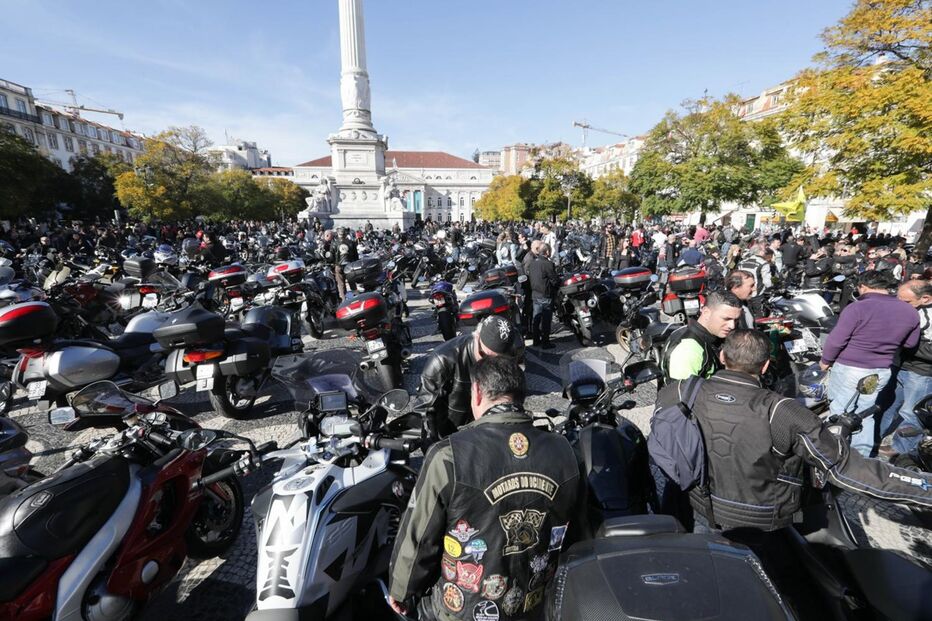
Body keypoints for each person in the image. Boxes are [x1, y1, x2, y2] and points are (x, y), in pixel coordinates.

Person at [654, 329, 932, 546]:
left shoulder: (679, 392)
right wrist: (923, 486)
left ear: (723, 357)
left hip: (700, 507)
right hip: (764, 523)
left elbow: (662, 436)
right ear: (765, 366)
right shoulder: (782, 410)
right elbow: (846, 468)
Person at [389, 356, 583, 620]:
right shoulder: (564, 451)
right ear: (521, 396)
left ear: (477, 392)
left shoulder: (448, 455)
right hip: (535, 602)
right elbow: (577, 528)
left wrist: (401, 589)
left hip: (463, 608)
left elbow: (420, 536)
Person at [821, 271, 920, 457]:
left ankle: (835, 454)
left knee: (840, 410)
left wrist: (825, 360)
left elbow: (837, 340)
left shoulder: (857, 308)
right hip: (881, 370)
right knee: (866, 413)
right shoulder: (910, 311)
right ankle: (862, 457)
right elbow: (910, 344)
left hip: (850, 368)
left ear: (863, 287)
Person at [415, 315, 522, 440]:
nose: (491, 365)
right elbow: (424, 408)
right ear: (476, 337)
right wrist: (432, 444)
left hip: (492, 431)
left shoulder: (511, 355)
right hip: (451, 434)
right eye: (484, 355)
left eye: (498, 360)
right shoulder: (442, 359)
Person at [881, 280, 932, 458]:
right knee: (886, 405)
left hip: (920, 373)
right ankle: (874, 438)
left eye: (906, 302)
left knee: (911, 412)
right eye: (898, 299)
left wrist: (906, 345)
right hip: (898, 366)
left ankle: (902, 450)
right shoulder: (907, 310)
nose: (900, 305)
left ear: (925, 298)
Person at [661, 291, 742, 380]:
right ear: (706, 313)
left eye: (736, 320)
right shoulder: (688, 350)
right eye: (726, 319)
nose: (732, 325)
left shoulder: (713, 336)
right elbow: (681, 388)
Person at [528, 243, 559, 349]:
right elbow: (554, 280)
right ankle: (545, 342)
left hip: (535, 294)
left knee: (536, 319)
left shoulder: (533, 263)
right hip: (545, 295)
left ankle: (536, 340)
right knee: (546, 320)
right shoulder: (548, 264)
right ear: (547, 252)